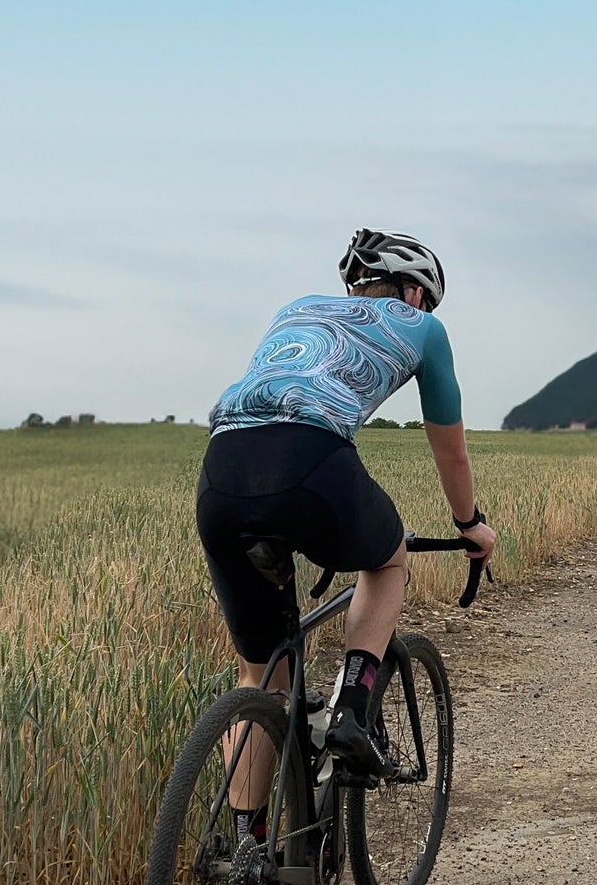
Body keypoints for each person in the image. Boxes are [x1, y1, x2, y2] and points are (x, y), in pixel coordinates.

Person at [197, 228, 498, 840]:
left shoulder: (296, 309)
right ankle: (353, 711)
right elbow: (453, 454)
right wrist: (469, 525)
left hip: (221, 471)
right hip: (311, 462)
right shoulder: (423, 330)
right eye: (429, 300)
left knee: (260, 675)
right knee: (387, 563)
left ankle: (249, 850)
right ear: (415, 292)